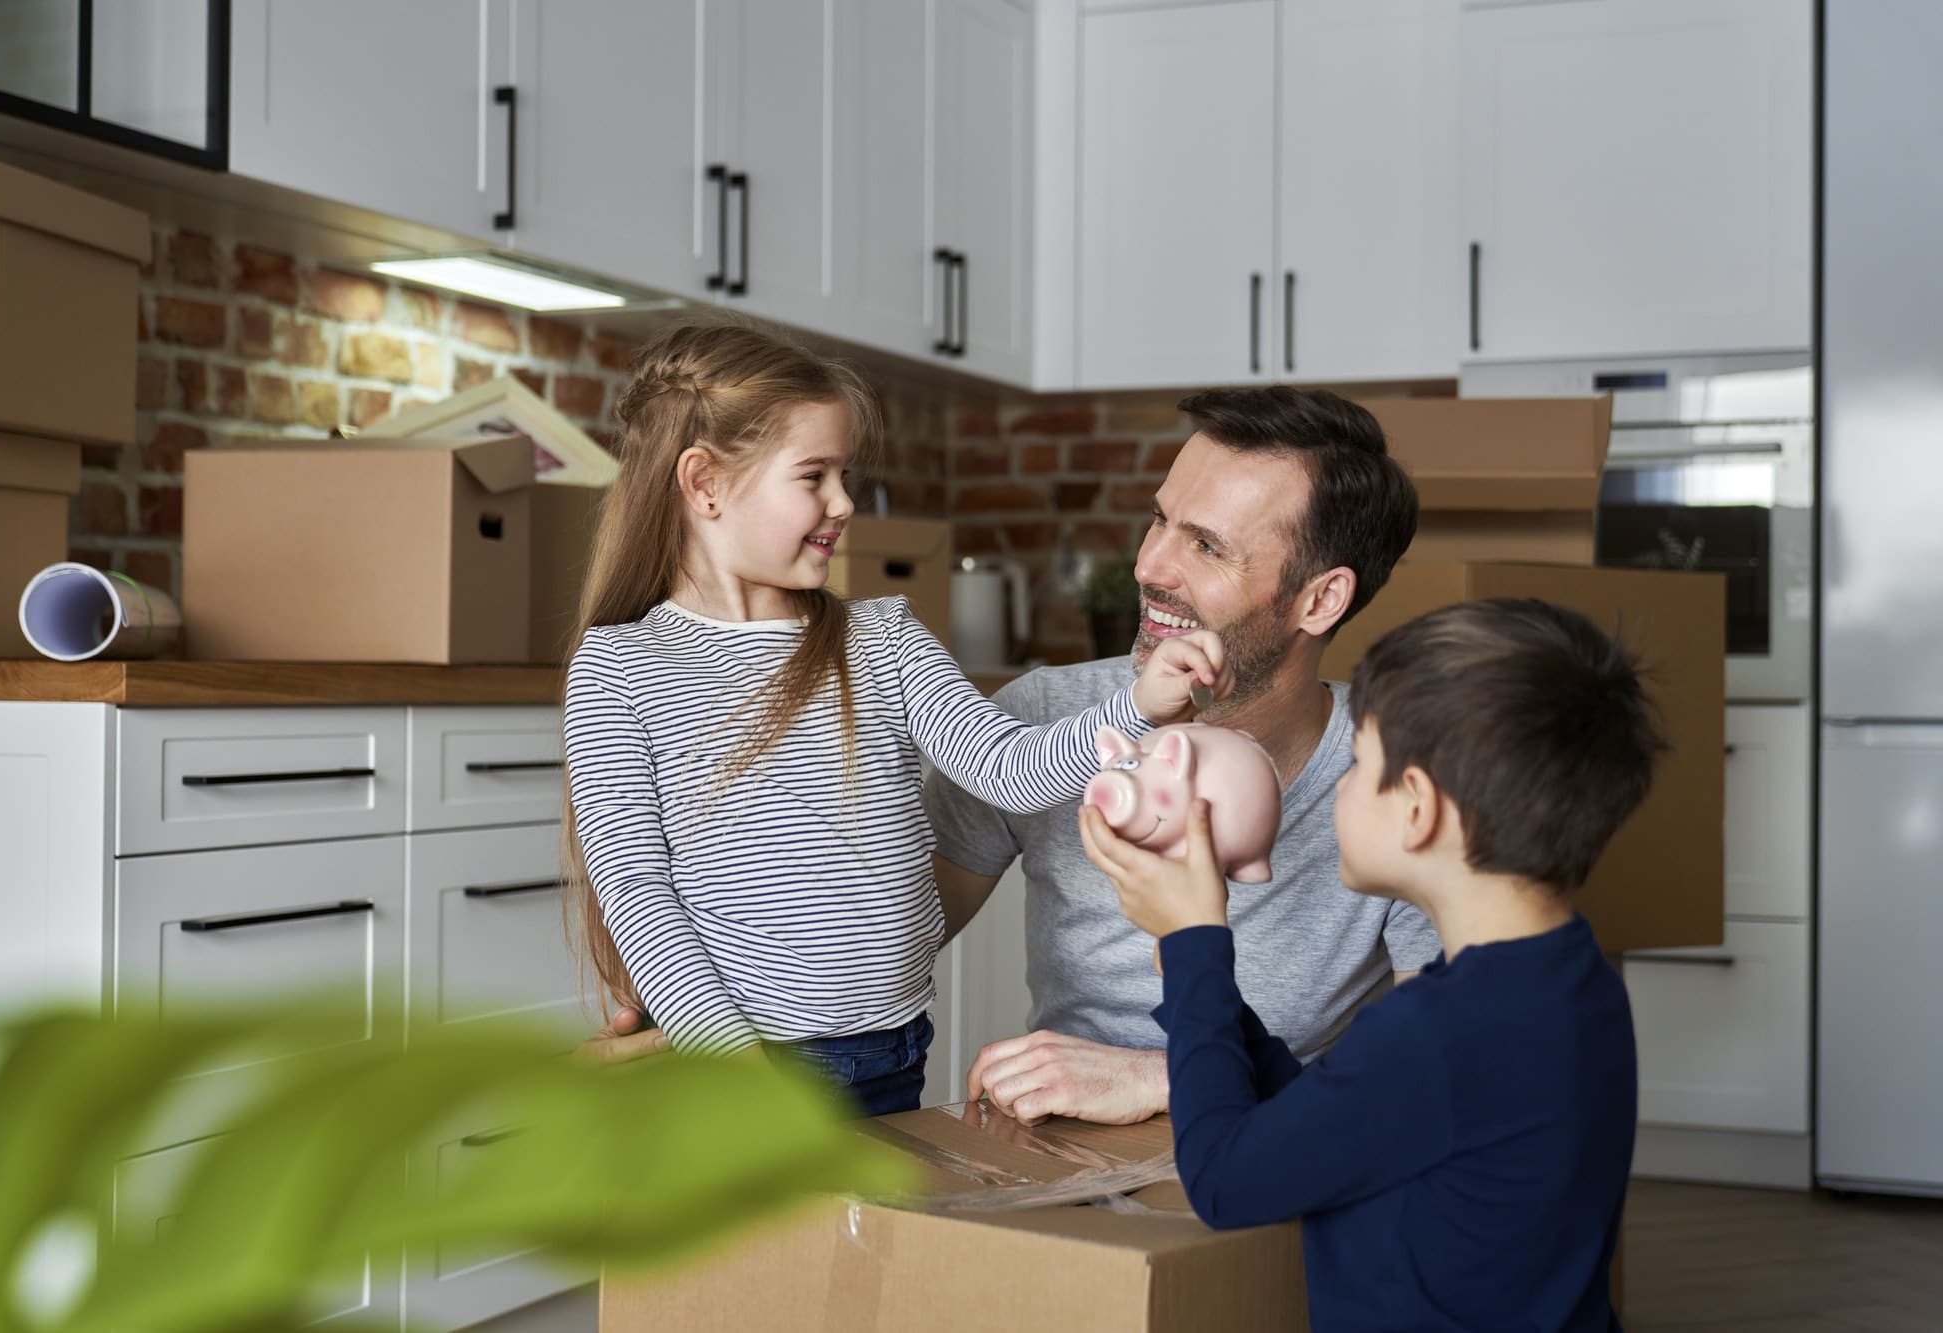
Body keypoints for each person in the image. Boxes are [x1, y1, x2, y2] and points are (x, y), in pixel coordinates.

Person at [559, 320, 1226, 1117]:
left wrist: (1136, 703)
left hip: (892, 1048)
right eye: (813, 475)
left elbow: (1006, 767)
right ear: (704, 484)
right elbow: (637, 887)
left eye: (844, 474)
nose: (843, 502)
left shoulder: (881, 636)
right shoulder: (621, 667)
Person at [1084, 597, 1659, 1332]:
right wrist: (1190, 957)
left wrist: (1200, 939)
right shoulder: (1574, 979)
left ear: (1417, 808)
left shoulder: (1434, 1033)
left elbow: (1227, 1182)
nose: (1341, 788)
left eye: (1360, 764)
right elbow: (1334, 1119)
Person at [923, 385, 1436, 1125]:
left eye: (1206, 545)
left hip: (1285, 1161)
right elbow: (869, 958)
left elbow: (1440, 1074)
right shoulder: (1044, 726)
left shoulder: (1398, 767)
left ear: (1320, 601)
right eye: (1159, 518)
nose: (1149, 565)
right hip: (1054, 1163)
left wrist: (1167, 1077)